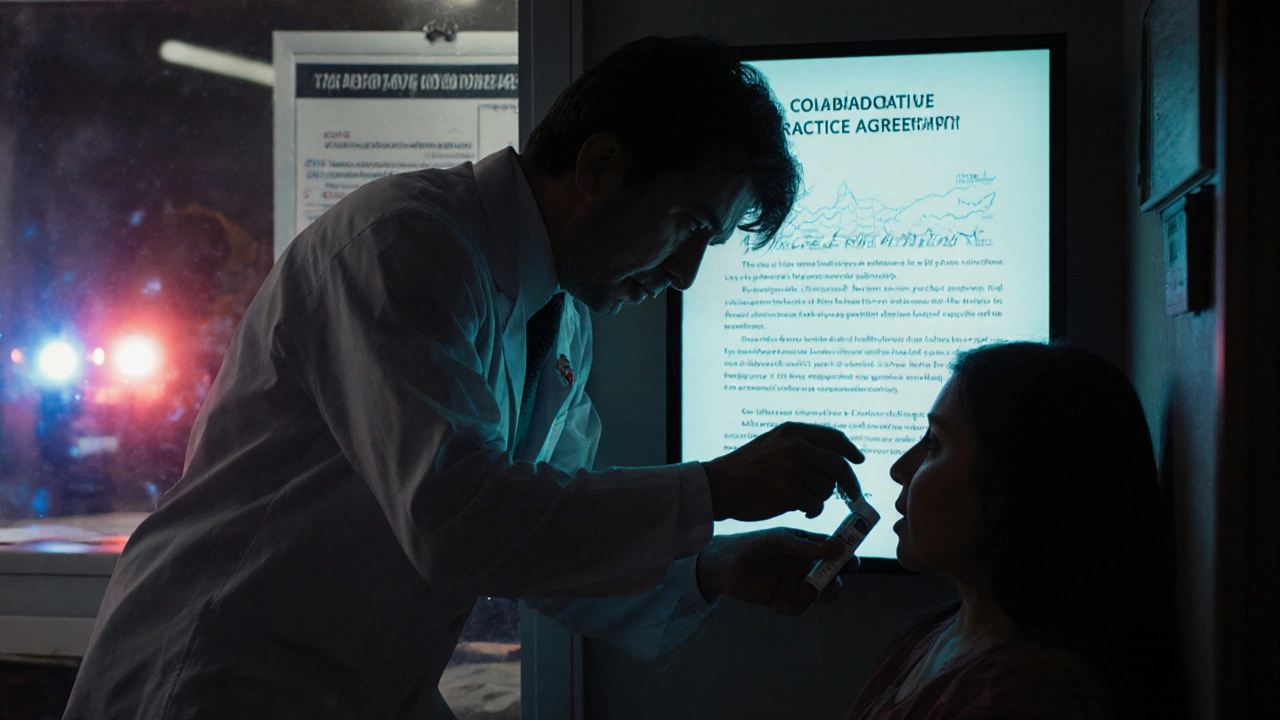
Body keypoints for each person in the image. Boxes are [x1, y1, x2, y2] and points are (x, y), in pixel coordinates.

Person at [64, 36, 863, 720]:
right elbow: (455, 516)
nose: (685, 274)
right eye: (689, 226)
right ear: (601, 164)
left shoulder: (563, 314)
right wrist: (715, 490)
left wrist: (711, 568)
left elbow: (539, 533)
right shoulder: (405, 244)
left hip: (349, 685)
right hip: (213, 675)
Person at [844, 342, 1175, 720]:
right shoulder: (932, 637)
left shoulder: (1031, 697)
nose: (901, 468)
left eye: (934, 444)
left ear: (1009, 488)